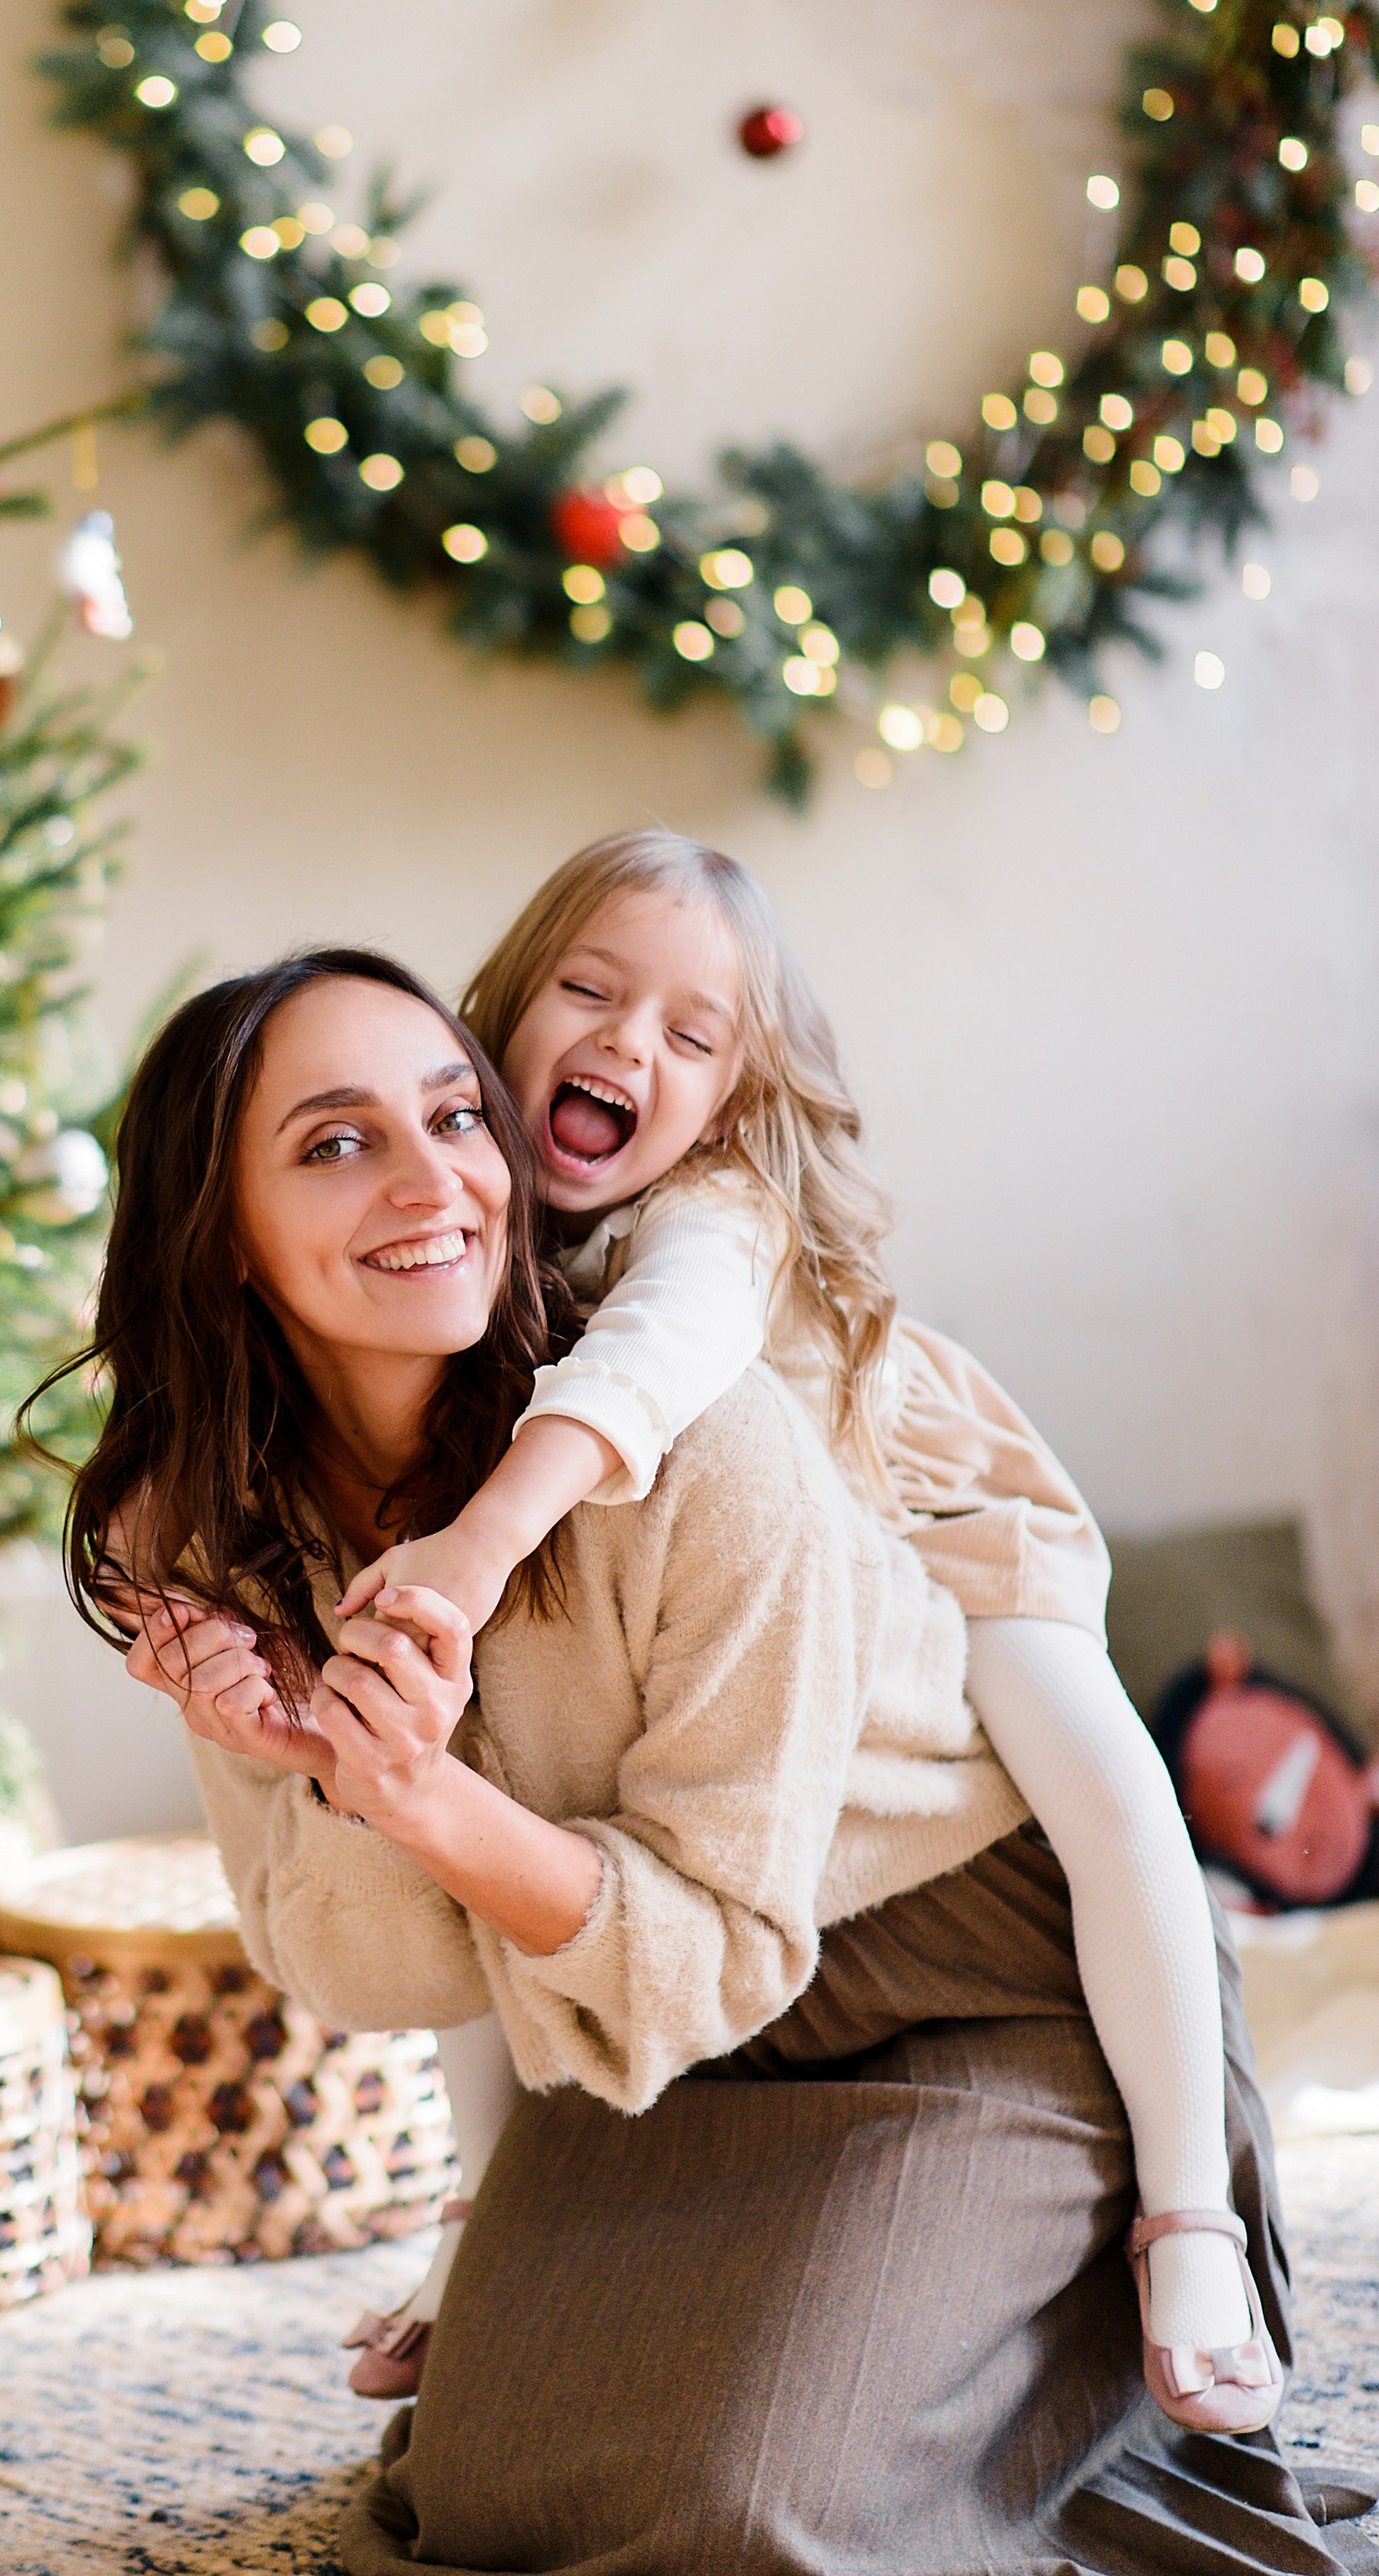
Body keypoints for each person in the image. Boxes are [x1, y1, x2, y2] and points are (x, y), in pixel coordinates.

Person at [57, 947, 1379, 2576]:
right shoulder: (209, 1531)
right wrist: (328, 1770)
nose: (432, 1180)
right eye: (334, 1143)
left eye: (454, 1117)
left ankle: (1093, 2308)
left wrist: (419, 1792)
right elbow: (384, 1973)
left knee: (721, 2511)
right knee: (489, 2495)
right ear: (222, 1234)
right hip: (645, 2032)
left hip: (967, 1986)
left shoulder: (696, 1447)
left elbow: (724, 1947)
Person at [328, 830, 1264, 2430]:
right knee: (476, 1795)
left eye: (691, 1037)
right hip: (720, 1591)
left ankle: (1191, 2218)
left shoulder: (721, 1213)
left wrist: (474, 1549)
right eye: (592, 993)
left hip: (931, 1517)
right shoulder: (469, 1215)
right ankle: (477, 2211)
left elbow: (658, 1356)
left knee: (1113, 1798)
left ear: (730, 1102)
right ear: (510, 1011)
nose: (630, 1044)